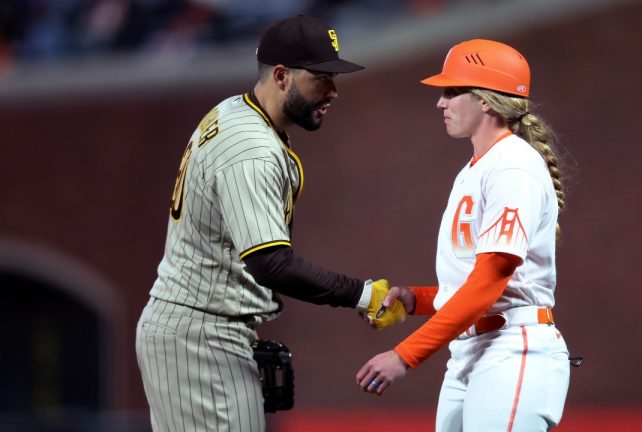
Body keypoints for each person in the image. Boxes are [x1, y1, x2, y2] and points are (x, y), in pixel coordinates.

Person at [136, 15, 403, 432]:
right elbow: (271, 264)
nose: (333, 91)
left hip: (198, 326)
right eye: (320, 78)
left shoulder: (235, 111)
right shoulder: (252, 149)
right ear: (281, 76)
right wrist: (363, 294)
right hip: (202, 334)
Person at [356, 39, 571, 431]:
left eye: (452, 91)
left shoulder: (513, 166)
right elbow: (475, 283)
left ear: (487, 100)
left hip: (512, 349)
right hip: (474, 350)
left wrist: (405, 355)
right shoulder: (476, 168)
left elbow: (489, 282)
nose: (441, 103)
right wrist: (415, 298)